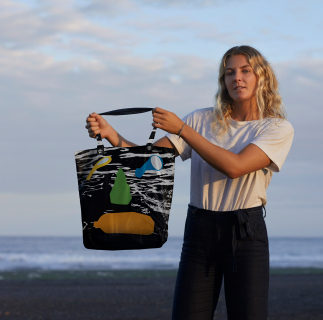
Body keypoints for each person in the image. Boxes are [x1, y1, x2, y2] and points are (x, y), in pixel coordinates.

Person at [85, 45, 294, 320]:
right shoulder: (201, 119)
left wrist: (183, 130)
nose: (237, 78)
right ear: (223, 81)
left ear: (261, 77)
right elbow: (145, 163)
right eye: (229, 72)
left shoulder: (276, 128)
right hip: (200, 231)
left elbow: (235, 167)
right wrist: (111, 134)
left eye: (245, 70)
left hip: (245, 233)